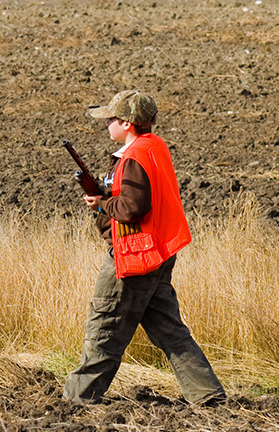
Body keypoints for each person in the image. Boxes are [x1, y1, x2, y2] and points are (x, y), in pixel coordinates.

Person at [63, 90, 226, 406]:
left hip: (134, 255)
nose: (107, 123)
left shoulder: (134, 156)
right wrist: (106, 198)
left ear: (126, 123)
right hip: (158, 251)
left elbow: (133, 207)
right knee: (168, 328)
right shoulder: (154, 146)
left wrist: (101, 204)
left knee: (105, 326)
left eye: (111, 118)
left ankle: (78, 399)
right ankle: (207, 395)